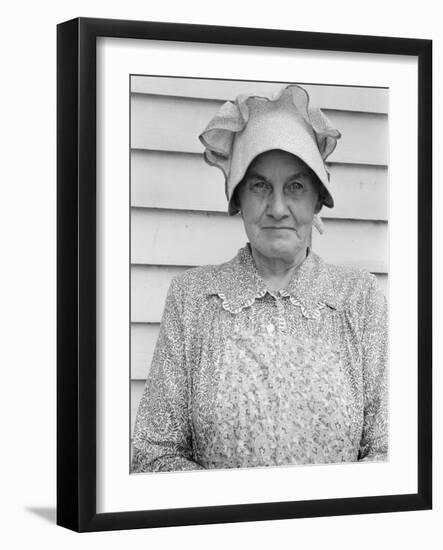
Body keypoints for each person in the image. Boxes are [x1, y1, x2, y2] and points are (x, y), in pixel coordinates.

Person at [131, 84, 388, 473]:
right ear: (238, 198)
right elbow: (153, 451)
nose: (278, 208)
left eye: (296, 187)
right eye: (260, 185)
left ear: (318, 199)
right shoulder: (193, 300)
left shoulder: (359, 298)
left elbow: (393, 450)